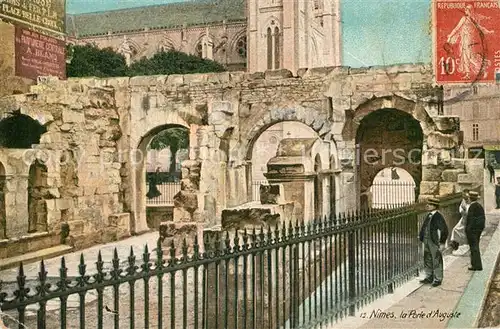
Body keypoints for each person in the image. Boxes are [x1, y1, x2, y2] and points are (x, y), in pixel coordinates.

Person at [419, 198, 449, 287]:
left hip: (433, 241)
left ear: (434, 206)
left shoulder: (438, 216)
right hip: (426, 240)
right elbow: (424, 228)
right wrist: (421, 237)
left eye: (430, 204)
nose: (427, 206)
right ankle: (429, 276)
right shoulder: (429, 215)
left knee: (436, 259)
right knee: (427, 258)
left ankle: (438, 278)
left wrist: (442, 242)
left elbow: (444, 230)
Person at [465, 191, 485, 271]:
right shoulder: (479, 206)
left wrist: (468, 230)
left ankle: (477, 265)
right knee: (475, 247)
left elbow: (471, 220)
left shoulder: (472, 207)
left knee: (474, 248)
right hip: (478, 230)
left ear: (470, 198)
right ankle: (475, 264)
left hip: (472, 231)